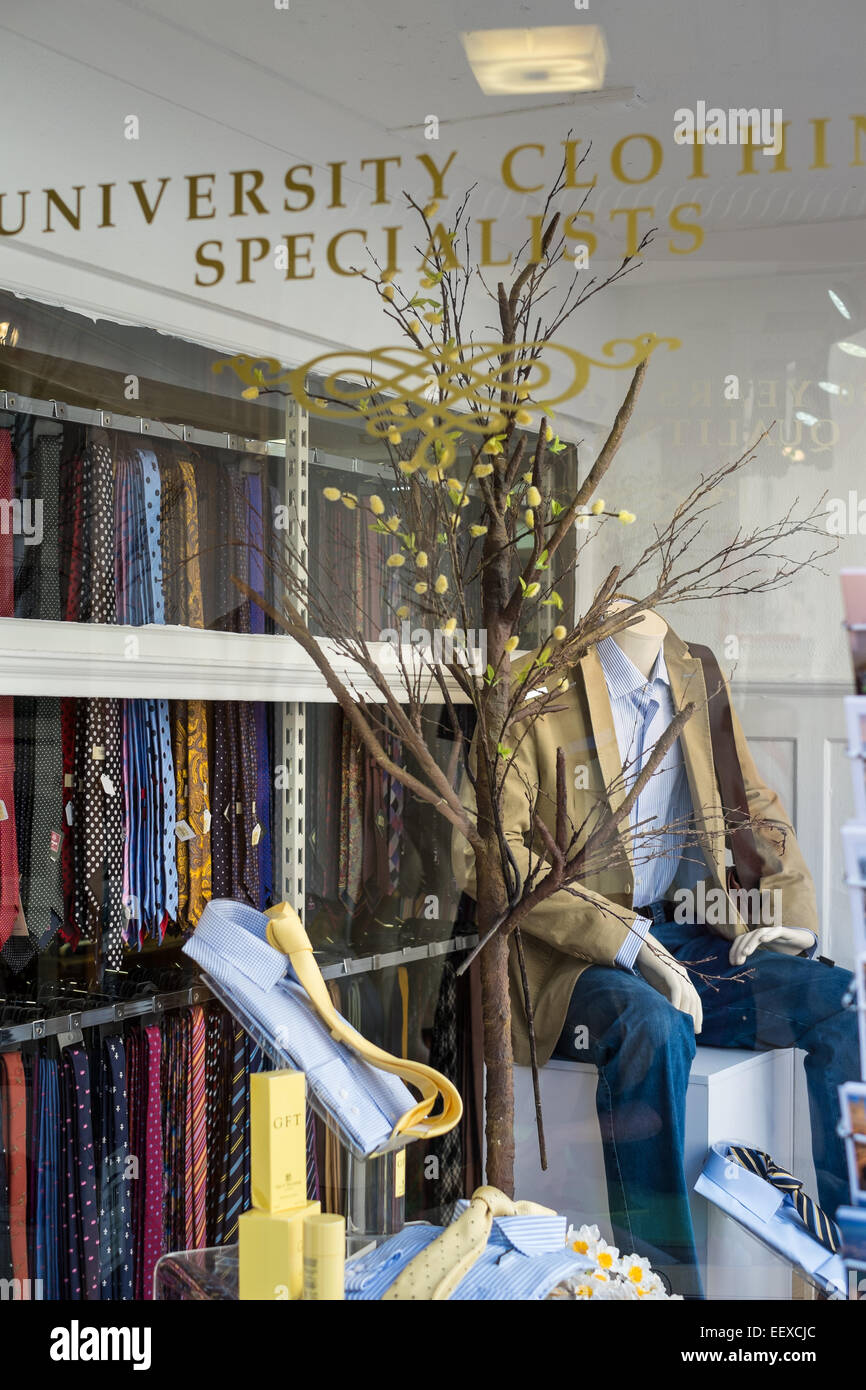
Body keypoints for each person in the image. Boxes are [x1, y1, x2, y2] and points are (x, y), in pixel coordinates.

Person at [453, 608, 859, 1297]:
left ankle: (851, 1262)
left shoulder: (694, 670)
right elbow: (487, 855)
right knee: (652, 1029)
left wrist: (786, 913)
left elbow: (752, 803)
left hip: (688, 932)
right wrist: (625, 942)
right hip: (569, 951)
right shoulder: (534, 686)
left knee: (843, 1005)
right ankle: (666, 1285)